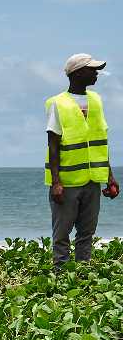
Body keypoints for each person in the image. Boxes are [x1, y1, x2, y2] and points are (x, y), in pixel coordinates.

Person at [46, 53, 119, 268]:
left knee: (87, 233)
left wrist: (110, 177)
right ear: (77, 73)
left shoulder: (96, 101)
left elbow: (100, 142)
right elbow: (53, 146)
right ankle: (61, 276)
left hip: (92, 180)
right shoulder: (57, 103)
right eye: (91, 69)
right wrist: (56, 182)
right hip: (67, 183)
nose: (96, 73)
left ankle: (83, 273)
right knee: (62, 234)